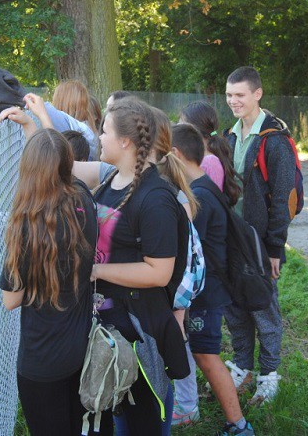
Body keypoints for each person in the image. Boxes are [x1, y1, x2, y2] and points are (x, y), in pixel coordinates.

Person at [90, 97, 190, 434]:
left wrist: (96, 271)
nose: (98, 138)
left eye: (104, 132)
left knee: (143, 421)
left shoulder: (156, 199)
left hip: (139, 333)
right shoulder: (111, 182)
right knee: (118, 420)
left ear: (125, 141)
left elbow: (158, 272)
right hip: (110, 330)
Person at [0, 129, 106, 435]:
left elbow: (11, 300)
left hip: (41, 360)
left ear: (27, 170)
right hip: (80, 348)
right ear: (67, 164)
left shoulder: (25, 227)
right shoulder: (84, 198)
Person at [171, 123, 255, 436]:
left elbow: (187, 248)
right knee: (200, 352)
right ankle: (189, 408)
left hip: (208, 294)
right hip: (208, 290)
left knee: (207, 356)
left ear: (176, 155)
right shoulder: (203, 186)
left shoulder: (200, 197)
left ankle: (239, 425)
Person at [224, 66, 296, 405]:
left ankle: (269, 375)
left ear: (257, 94)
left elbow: (281, 199)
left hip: (259, 244)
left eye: (240, 95)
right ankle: (242, 367)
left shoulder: (274, 140)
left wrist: (274, 249)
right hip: (230, 241)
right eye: (229, 95)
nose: (233, 101)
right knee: (235, 308)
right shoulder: (229, 135)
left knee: (264, 311)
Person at [179, 100, 243, 205]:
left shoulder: (210, 162)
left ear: (195, 128)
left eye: (182, 123)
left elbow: (210, 203)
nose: (178, 126)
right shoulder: (200, 156)